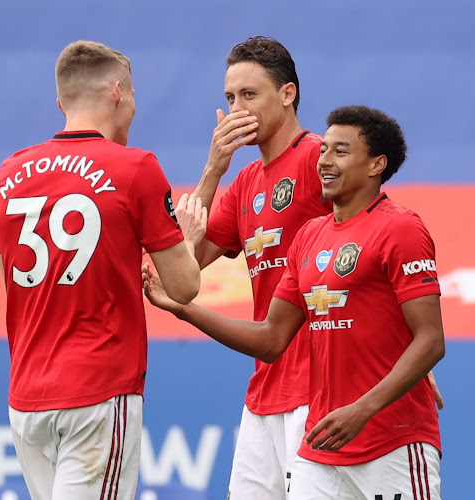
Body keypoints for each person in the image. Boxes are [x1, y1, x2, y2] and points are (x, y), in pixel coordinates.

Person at [186, 36, 442, 499]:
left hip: (317, 388)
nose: (238, 109)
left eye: (250, 95)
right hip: (265, 386)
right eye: (229, 98)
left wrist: (405, 352)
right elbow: (183, 269)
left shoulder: (316, 159)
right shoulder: (244, 182)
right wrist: (213, 170)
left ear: (287, 95)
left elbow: (372, 249)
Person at [0, 40, 202, 500]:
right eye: (135, 94)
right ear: (119, 92)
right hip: (98, 390)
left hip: (27, 397)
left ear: (61, 102)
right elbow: (184, 287)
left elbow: (11, 279)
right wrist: (184, 236)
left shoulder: (7, 174)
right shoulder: (135, 167)